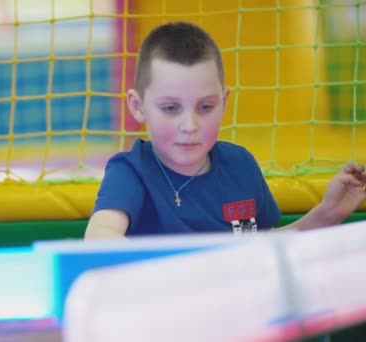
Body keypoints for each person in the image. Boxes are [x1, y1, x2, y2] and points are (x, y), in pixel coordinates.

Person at [85, 21, 366, 239]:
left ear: (224, 101)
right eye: (170, 108)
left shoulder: (239, 167)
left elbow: (259, 247)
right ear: (138, 106)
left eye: (205, 107)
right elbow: (101, 235)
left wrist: (327, 213)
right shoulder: (132, 171)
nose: (190, 126)